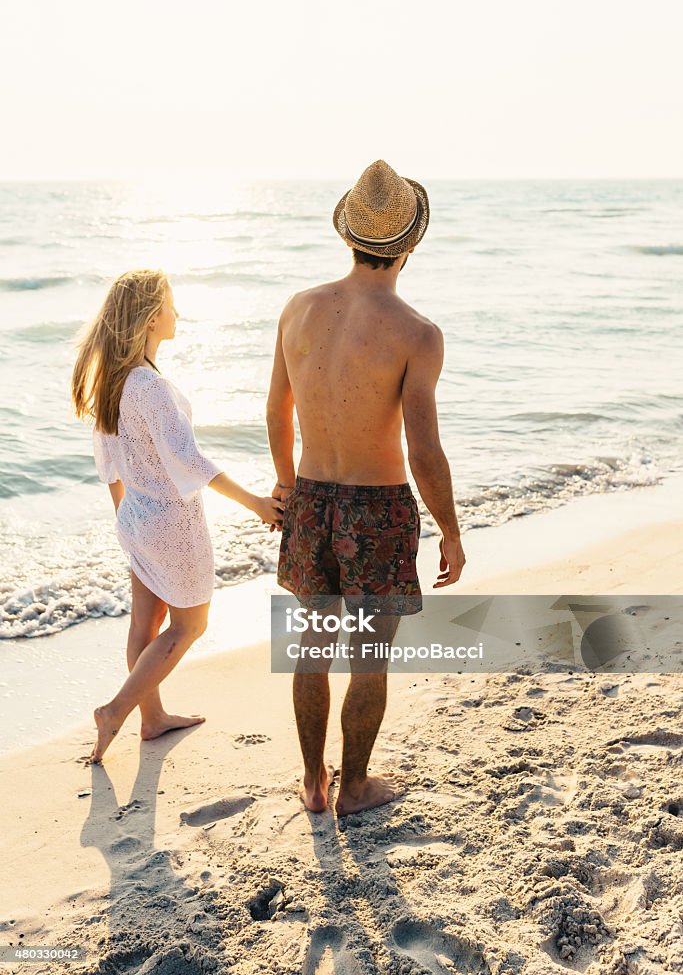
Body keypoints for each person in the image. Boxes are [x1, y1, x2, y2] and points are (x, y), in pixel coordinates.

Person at [267, 160, 466, 816]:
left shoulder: (297, 309)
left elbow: (277, 410)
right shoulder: (415, 333)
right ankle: (354, 788)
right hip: (376, 509)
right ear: (411, 243)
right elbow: (423, 448)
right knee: (369, 657)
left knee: (313, 644)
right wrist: (449, 529)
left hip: (310, 498)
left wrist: (284, 485)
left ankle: (311, 784)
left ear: (346, 232)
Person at [72, 269, 284, 763]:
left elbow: (110, 465)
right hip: (169, 522)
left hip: (136, 516)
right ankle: (118, 711)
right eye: (170, 305)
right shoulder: (149, 386)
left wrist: (129, 522)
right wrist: (254, 502)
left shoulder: (114, 381)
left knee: (146, 624)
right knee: (190, 626)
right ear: (149, 318)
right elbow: (188, 461)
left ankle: (152, 718)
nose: (177, 314)